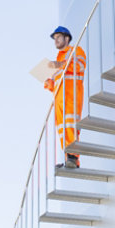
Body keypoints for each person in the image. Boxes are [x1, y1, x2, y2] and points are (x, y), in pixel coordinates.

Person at [44, 26, 86, 169]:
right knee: (63, 129)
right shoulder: (59, 58)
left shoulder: (75, 50)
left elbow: (80, 66)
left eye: (58, 37)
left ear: (66, 38)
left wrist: (60, 65)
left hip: (71, 96)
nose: (56, 40)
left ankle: (74, 158)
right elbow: (57, 82)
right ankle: (69, 157)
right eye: (54, 38)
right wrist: (49, 82)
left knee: (70, 126)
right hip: (60, 100)